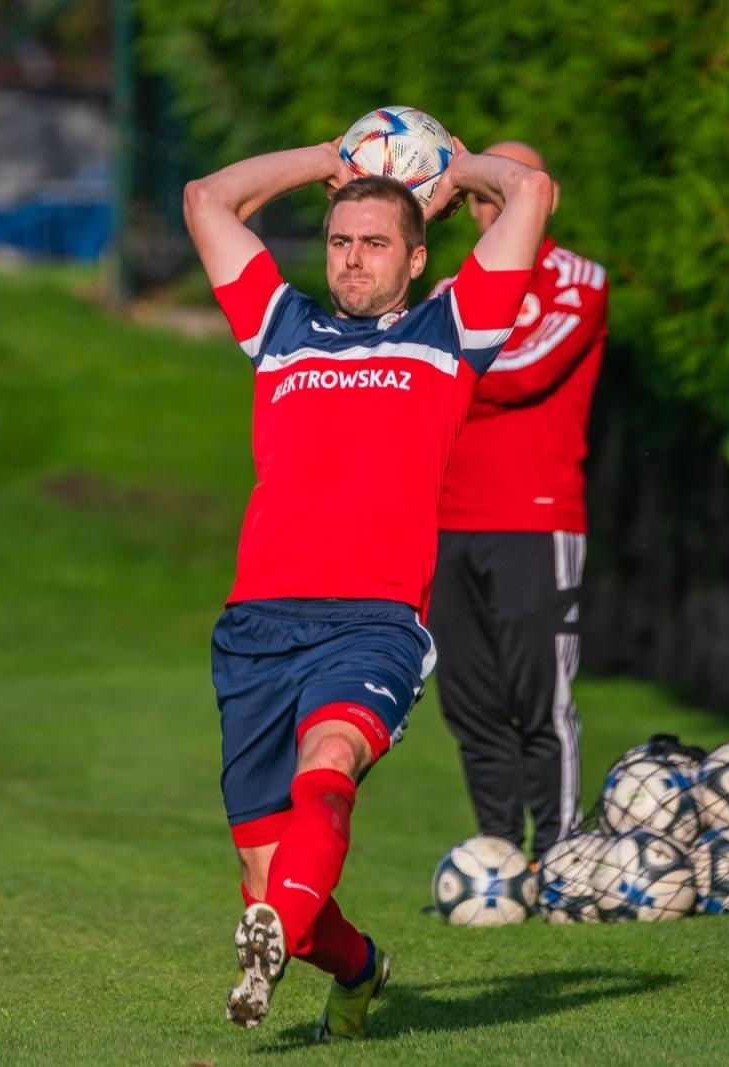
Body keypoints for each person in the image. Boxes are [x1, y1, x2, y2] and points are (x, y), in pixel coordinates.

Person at [182, 140, 553, 1034]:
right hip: (257, 626)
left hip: (372, 620)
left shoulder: (451, 333)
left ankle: (269, 934)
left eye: (376, 242)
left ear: (416, 256)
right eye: (341, 239)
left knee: (332, 761)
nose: (352, 256)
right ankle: (357, 966)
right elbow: (205, 199)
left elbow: (532, 188)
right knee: (272, 879)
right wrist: (324, 157)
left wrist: (460, 170)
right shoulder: (281, 326)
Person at [426, 141, 608, 860]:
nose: (491, 207)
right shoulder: (445, 292)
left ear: (547, 197)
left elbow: (529, 369)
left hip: (536, 515)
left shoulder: (576, 278)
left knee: (542, 698)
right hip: (443, 519)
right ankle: (499, 851)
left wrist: (457, 366)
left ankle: (563, 850)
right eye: (479, 196)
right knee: (468, 700)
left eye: (507, 191)